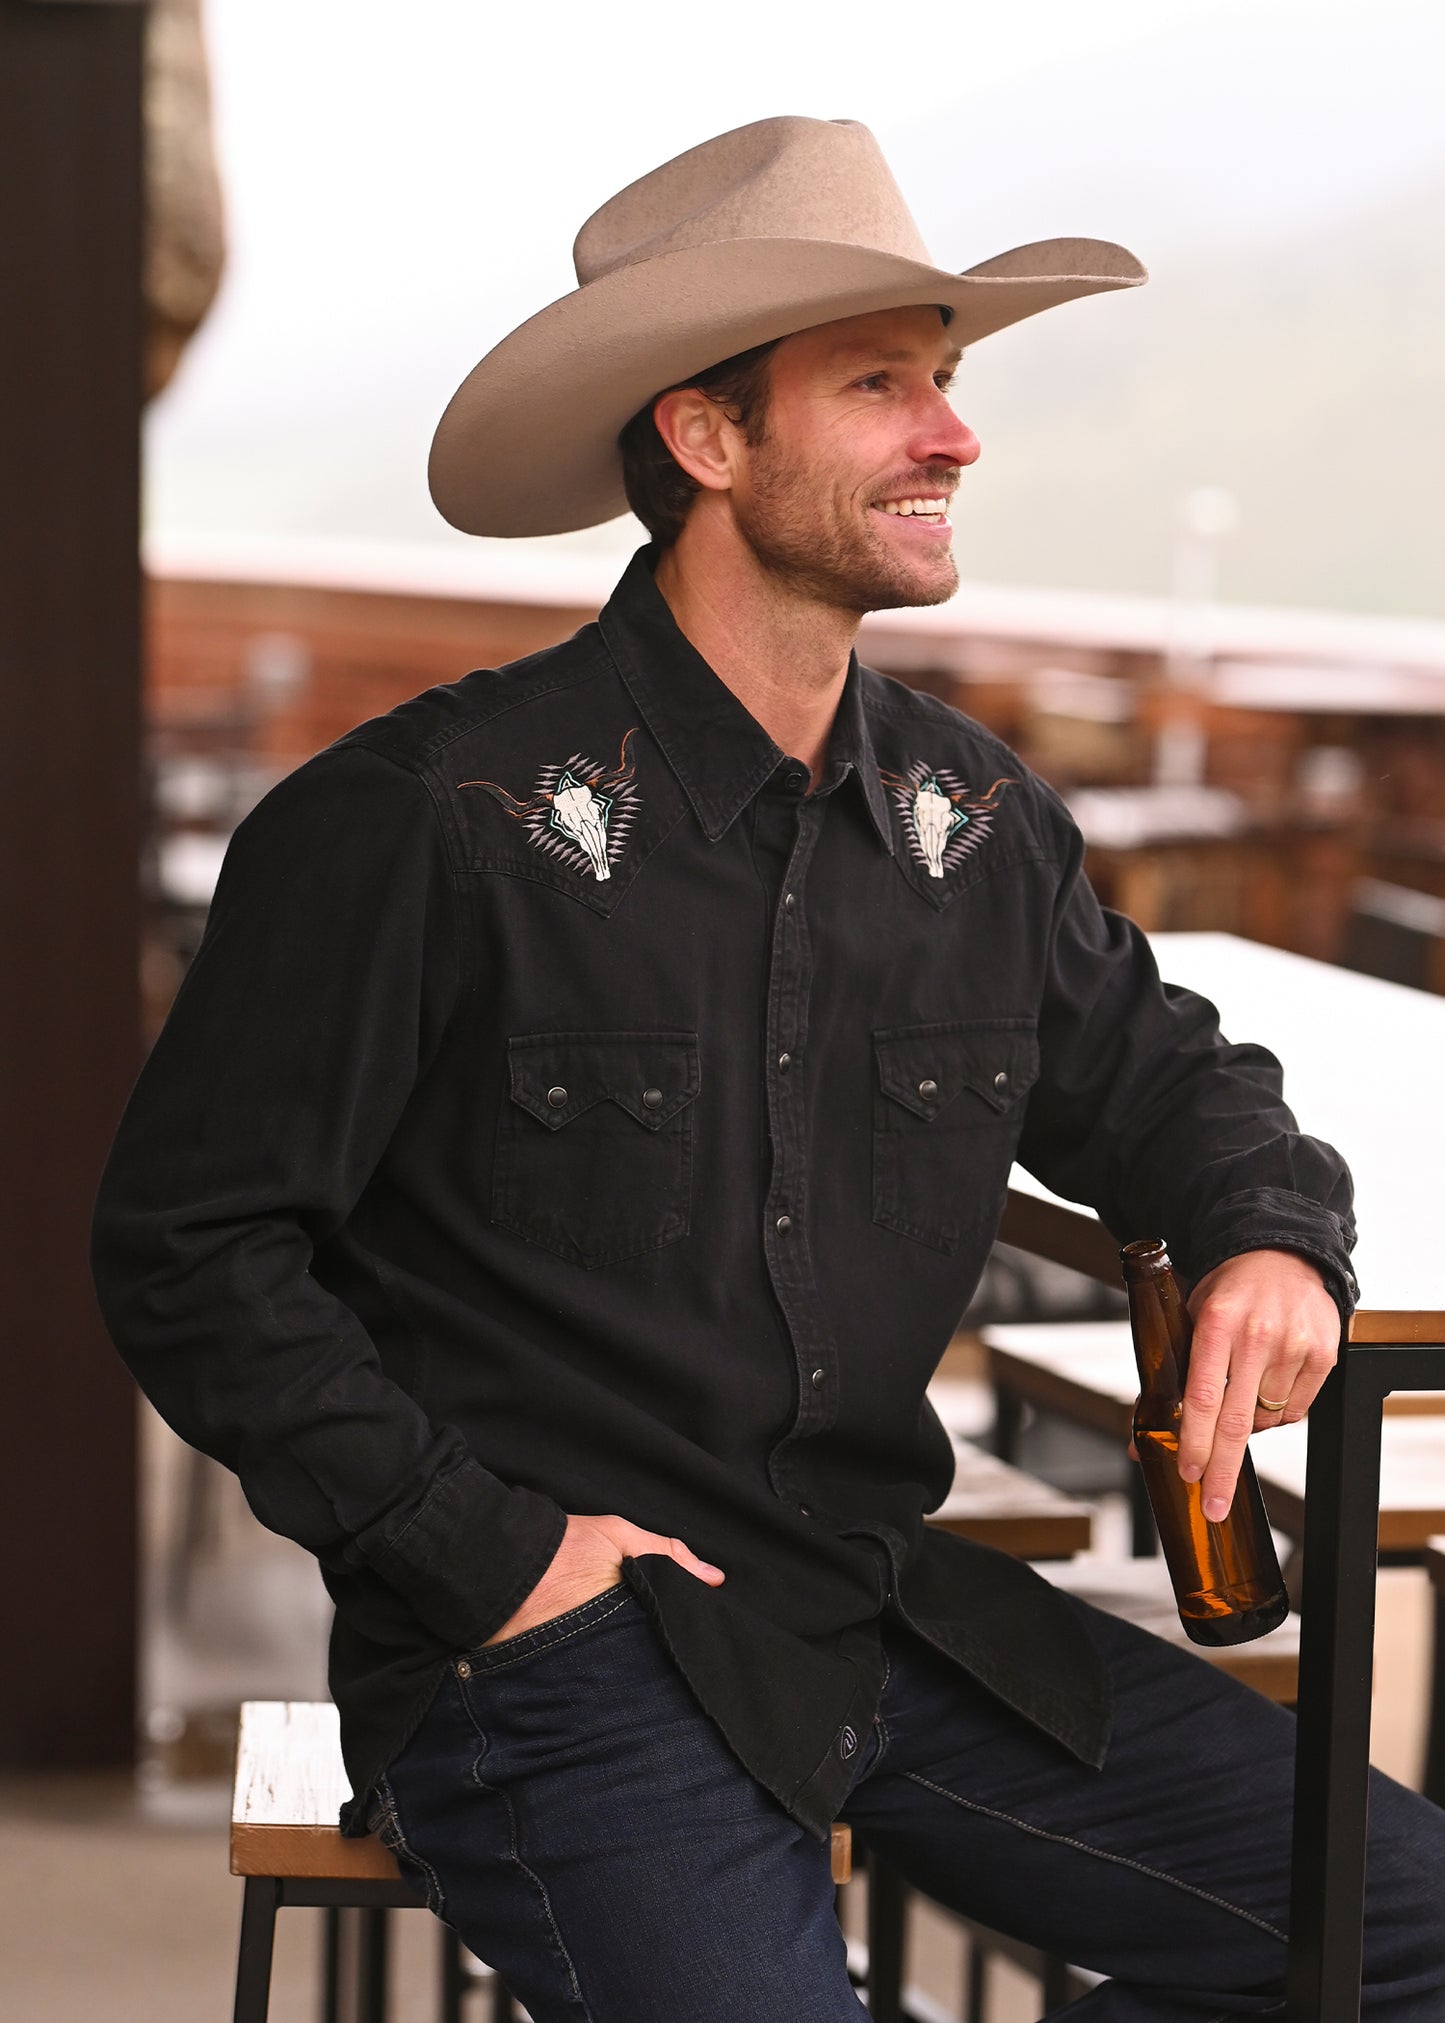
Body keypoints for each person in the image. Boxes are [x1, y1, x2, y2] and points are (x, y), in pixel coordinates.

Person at [93, 117, 1444, 2019]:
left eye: (948, 383)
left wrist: (1270, 1235)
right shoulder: (421, 819)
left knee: (1405, 1927)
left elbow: (1173, 1083)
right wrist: (476, 1551)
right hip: (552, 1650)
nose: (954, 437)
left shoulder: (973, 823)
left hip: (877, 1606)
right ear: (705, 438)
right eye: (880, 385)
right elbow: (190, 1246)